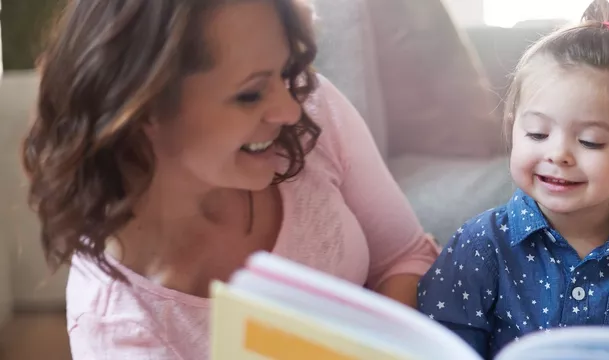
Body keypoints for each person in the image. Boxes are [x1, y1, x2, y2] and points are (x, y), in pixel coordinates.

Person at [22, 0, 438, 358]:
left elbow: (405, 256)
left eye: (283, 71)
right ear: (143, 106)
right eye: (250, 94)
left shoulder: (309, 107)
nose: (289, 111)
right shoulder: (119, 323)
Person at [417, 1, 609, 358]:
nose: (559, 154)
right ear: (514, 126)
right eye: (537, 134)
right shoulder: (478, 247)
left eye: (590, 141)